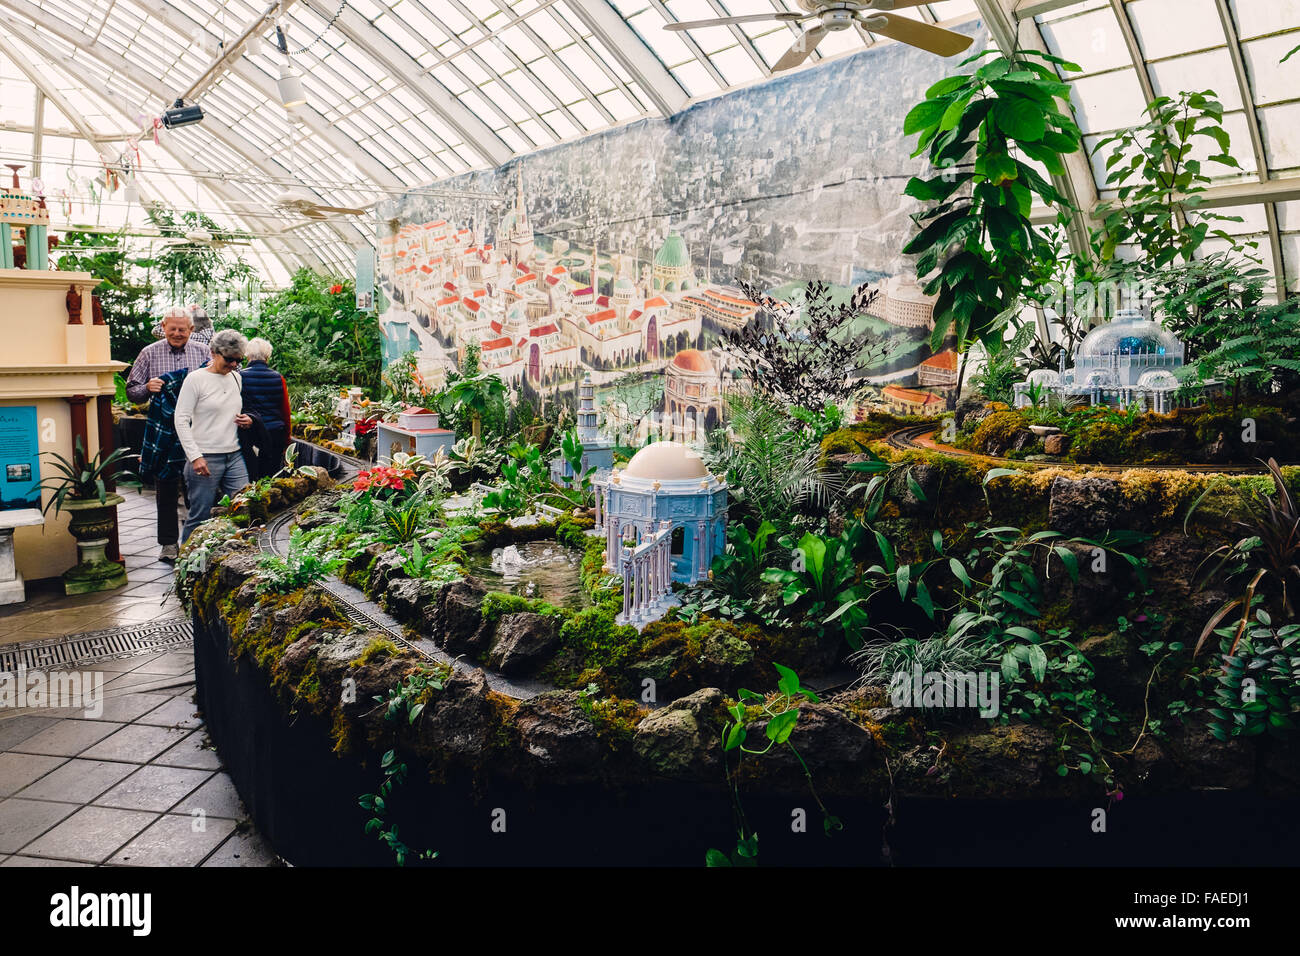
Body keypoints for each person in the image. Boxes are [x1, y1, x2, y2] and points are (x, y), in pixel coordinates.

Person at [125, 306, 210, 562]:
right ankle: (169, 544)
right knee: (166, 488)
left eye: (182, 329)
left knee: (198, 487)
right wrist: (148, 388)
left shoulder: (204, 353)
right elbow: (132, 390)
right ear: (163, 328)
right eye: (171, 328)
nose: (176, 333)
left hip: (197, 429)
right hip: (163, 431)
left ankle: (197, 540)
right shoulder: (149, 353)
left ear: (191, 330)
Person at [174, 330, 253, 541]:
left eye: (238, 360)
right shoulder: (196, 380)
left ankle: (237, 558)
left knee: (243, 508)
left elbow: (231, 410)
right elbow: (180, 419)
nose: (234, 365)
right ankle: (187, 565)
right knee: (200, 515)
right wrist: (195, 456)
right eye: (229, 359)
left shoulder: (236, 378)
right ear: (213, 353)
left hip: (234, 454)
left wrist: (247, 420)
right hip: (205, 456)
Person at [237, 337, 292, 481]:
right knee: (269, 477)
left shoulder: (240, 377)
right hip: (275, 433)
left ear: (247, 356)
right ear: (267, 356)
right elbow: (285, 411)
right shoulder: (278, 378)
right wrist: (287, 439)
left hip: (251, 434)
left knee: (251, 476)